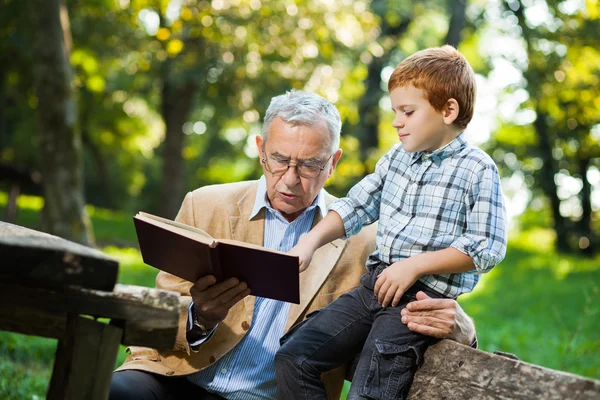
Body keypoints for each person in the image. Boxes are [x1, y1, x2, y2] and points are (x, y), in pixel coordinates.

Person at [110, 89, 478, 400]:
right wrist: (199, 316)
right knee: (121, 390)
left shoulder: (371, 242)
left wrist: (462, 329)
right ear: (260, 149)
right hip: (181, 379)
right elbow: (160, 315)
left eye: (309, 166)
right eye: (280, 160)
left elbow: (399, 325)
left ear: (333, 163)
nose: (289, 180)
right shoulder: (204, 204)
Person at [274, 46, 508, 400]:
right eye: (395, 111)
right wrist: (308, 242)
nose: (397, 121)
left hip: (419, 302)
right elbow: (356, 205)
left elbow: (488, 246)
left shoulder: (477, 169)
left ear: (448, 110)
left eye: (408, 111)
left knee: (370, 391)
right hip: (376, 285)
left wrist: (414, 266)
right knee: (295, 356)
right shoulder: (397, 159)